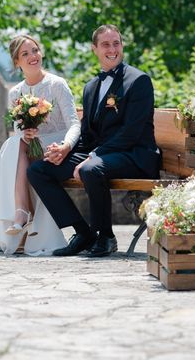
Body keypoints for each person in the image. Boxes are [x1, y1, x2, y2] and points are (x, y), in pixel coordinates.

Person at [27, 24, 162, 257]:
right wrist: (65, 151)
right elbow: (88, 134)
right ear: (95, 49)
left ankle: (106, 237)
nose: (112, 49)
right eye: (106, 44)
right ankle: (84, 233)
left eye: (116, 43)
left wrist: (92, 156)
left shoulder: (138, 81)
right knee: (39, 170)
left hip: (135, 154)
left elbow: (131, 132)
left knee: (90, 169)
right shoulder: (91, 87)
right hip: (103, 153)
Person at [0, 34, 81, 255]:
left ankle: (21, 214)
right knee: (15, 144)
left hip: (58, 145)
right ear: (17, 62)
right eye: (25, 53)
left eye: (35, 50)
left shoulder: (56, 84)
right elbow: (17, 130)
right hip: (31, 148)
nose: (33, 56)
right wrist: (27, 133)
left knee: (14, 148)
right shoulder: (16, 93)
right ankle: (22, 213)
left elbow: (74, 123)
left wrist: (65, 146)